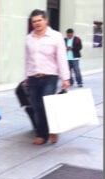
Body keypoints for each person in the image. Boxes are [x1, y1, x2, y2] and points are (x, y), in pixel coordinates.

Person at [23, 9, 70, 145]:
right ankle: (41, 135)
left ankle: (52, 129)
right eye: (34, 21)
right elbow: (27, 59)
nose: (37, 23)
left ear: (46, 20)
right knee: (36, 107)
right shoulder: (29, 38)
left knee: (47, 105)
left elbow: (61, 57)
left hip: (50, 76)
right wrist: (26, 76)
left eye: (39, 20)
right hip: (33, 77)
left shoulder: (56, 36)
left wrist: (65, 78)